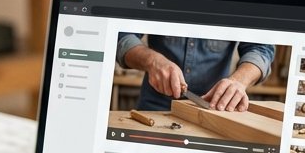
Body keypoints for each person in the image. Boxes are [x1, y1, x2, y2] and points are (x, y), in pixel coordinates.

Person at [116, 34, 275, 113]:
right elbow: (121, 37)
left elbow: (261, 48)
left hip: (212, 113)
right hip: (155, 109)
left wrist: (239, 81)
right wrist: (152, 61)